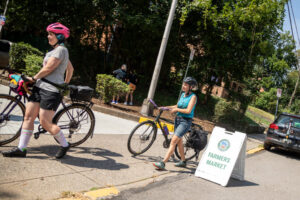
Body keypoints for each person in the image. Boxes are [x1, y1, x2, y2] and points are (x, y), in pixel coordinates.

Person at [2, 22, 74, 159]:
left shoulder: (61, 50)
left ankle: (65, 145)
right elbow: (70, 69)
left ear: (59, 36)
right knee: (28, 117)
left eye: (51, 34)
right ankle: (21, 149)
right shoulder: (55, 51)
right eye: (48, 34)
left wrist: (34, 78)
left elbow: (49, 68)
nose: (48, 36)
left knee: (45, 122)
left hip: (51, 91)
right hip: (40, 87)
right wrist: (65, 83)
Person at [153, 77, 198, 170]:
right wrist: (165, 107)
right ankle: (183, 161)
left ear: (191, 87)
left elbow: (188, 110)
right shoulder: (183, 95)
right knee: (179, 142)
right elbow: (177, 106)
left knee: (173, 141)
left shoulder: (193, 97)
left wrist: (176, 110)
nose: (183, 86)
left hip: (185, 121)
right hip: (177, 120)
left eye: (186, 85)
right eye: (183, 84)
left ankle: (163, 163)